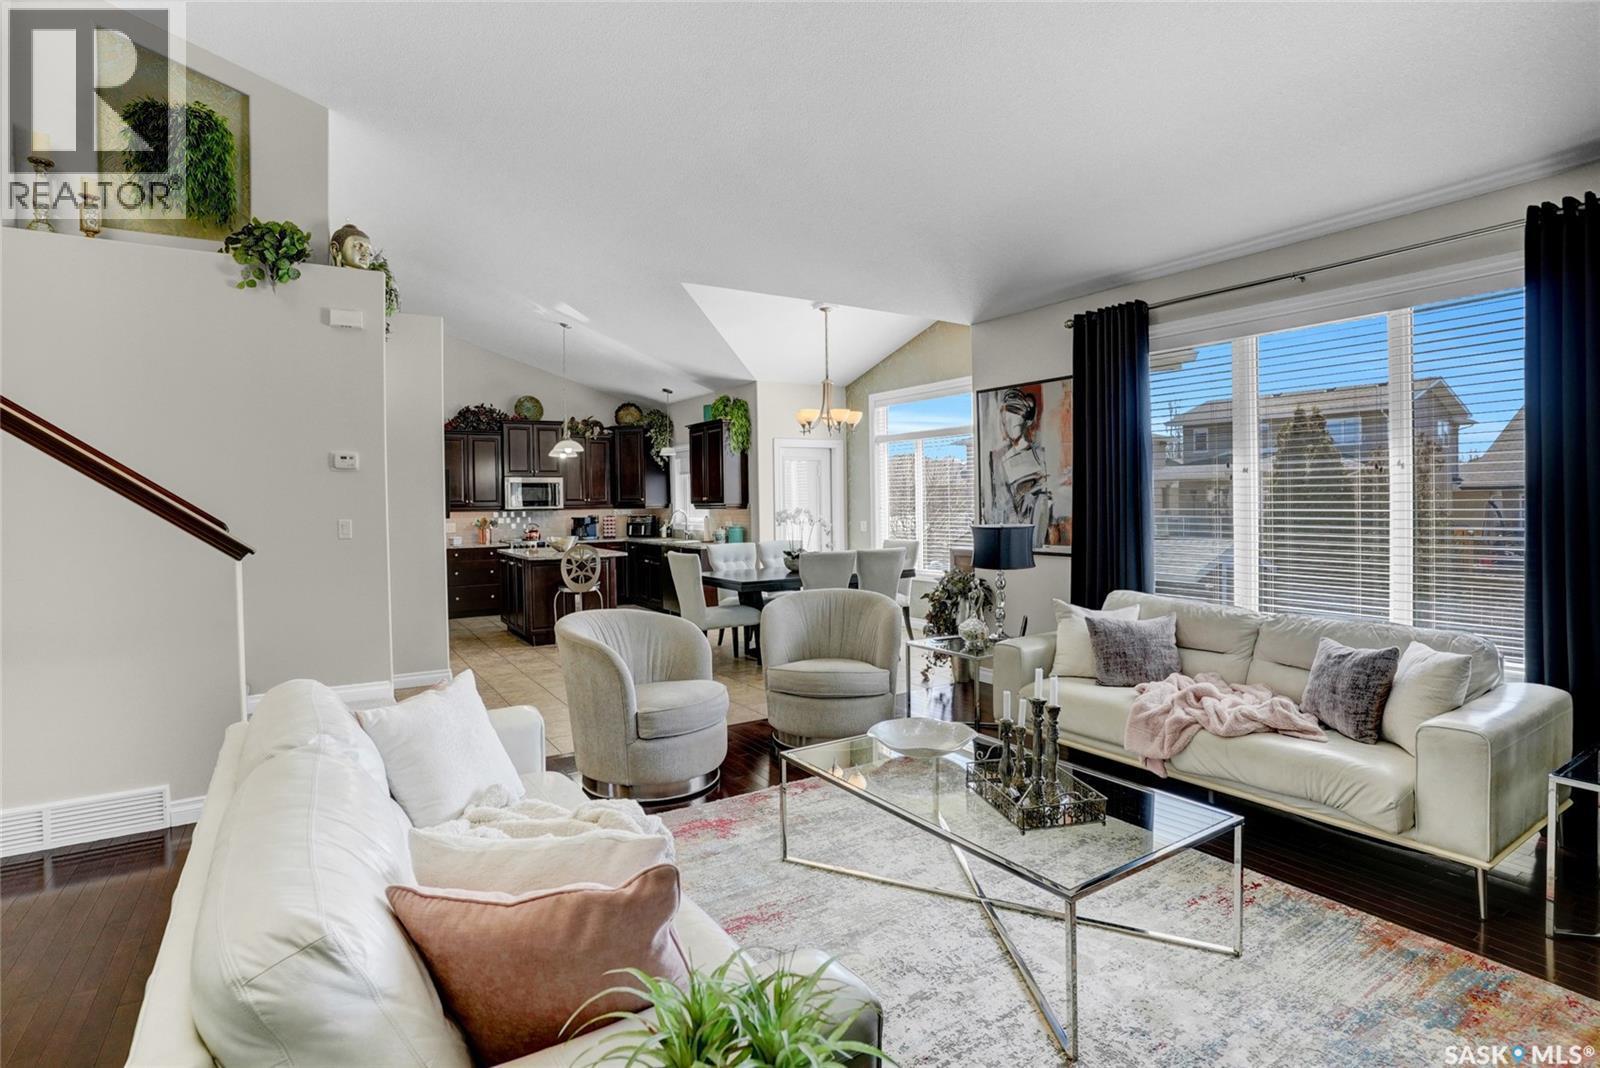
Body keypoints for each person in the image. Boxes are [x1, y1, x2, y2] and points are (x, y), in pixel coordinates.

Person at [987, 387, 1053, 545]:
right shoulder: (998, 460)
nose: (1008, 425)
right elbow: (999, 506)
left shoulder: (1040, 457)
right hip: (1010, 535)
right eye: (1005, 421)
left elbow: (1043, 503)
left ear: (1025, 420)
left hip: (1031, 535)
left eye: (1013, 420)